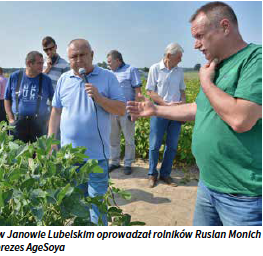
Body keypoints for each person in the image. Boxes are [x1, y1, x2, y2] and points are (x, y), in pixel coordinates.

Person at [127, 1, 262, 226]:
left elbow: (241, 119)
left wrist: (206, 83)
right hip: (208, 185)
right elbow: (200, 109)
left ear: (225, 27)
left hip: (242, 195)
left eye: (200, 36)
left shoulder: (255, 59)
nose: (196, 45)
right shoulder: (216, 66)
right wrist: (156, 109)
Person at [48, 39, 126, 225]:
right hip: (70, 157)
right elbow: (56, 111)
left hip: (96, 158)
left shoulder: (107, 77)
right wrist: (51, 141)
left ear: (92, 54)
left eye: (83, 55)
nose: (79, 60)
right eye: (73, 57)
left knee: (97, 206)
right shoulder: (64, 80)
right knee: (77, 205)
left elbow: (121, 109)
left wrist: (99, 98)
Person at [145, 43, 186, 188]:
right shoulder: (154, 69)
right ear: (169, 56)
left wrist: (183, 108)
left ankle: (165, 174)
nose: (181, 60)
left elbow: (182, 91)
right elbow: (150, 91)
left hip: (176, 114)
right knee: (154, 144)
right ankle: (152, 174)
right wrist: (166, 106)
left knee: (172, 145)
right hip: (159, 112)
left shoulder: (179, 71)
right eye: (179, 57)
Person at [4, 51, 54, 143]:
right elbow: (7, 98)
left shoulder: (46, 80)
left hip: (39, 123)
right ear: (29, 63)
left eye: (42, 63)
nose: (42, 66)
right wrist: (11, 118)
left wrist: (49, 120)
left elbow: (54, 102)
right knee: (18, 153)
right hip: (18, 122)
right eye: (39, 63)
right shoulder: (15, 77)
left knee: (39, 154)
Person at [107, 50, 142, 175]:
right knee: (113, 138)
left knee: (129, 139)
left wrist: (135, 111)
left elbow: (138, 92)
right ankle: (114, 162)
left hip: (127, 111)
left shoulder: (131, 70)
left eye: (110, 62)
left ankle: (128, 163)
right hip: (112, 111)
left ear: (118, 60)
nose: (108, 64)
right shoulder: (110, 73)